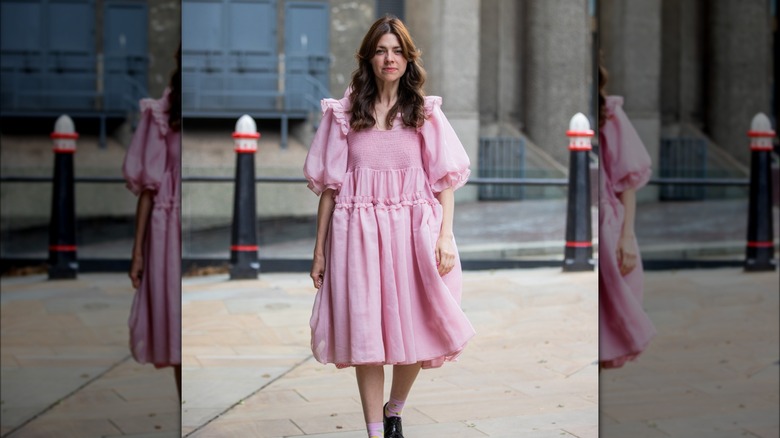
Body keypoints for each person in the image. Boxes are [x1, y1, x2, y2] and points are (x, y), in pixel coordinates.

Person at [303, 16, 475, 438]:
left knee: (418, 327)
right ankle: (375, 431)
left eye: (397, 50)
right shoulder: (344, 115)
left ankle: (394, 409)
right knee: (365, 332)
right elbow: (329, 188)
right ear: (369, 57)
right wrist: (319, 251)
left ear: (407, 57)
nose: (389, 58)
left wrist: (445, 236)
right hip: (355, 236)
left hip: (414, 232)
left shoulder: (424, 112)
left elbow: (444, 182)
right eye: (381, 50)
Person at [122, 44, 182, 397]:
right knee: (173, 330)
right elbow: (147, 189)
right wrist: (138, 252)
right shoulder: (161, 114)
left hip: (183, 228)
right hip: (164, 231)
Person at [598, 63, 656, 369]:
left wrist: (627, 237)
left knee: (612, 330)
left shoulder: (609, 114)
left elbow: (627, 183)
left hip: (608, 228)